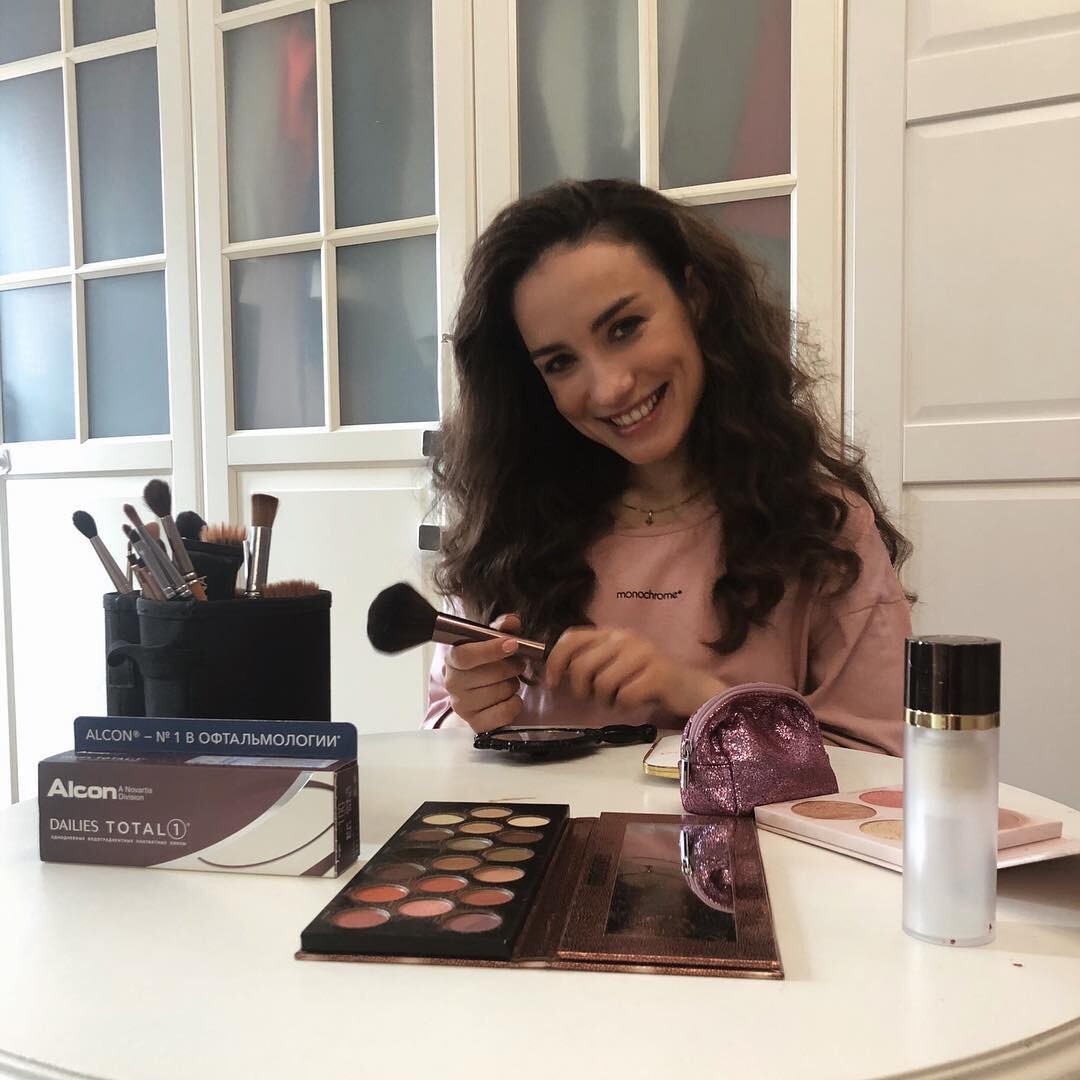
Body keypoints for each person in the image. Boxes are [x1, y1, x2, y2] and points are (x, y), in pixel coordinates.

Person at [424, 179, 912, 755]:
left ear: (695, 297)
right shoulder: (503, 528)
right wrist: (467, 710)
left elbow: (880, 768)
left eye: (624, 328)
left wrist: (700, 698)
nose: (609, 388)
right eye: (559, 363)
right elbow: (436, 736)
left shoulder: (825, 528)